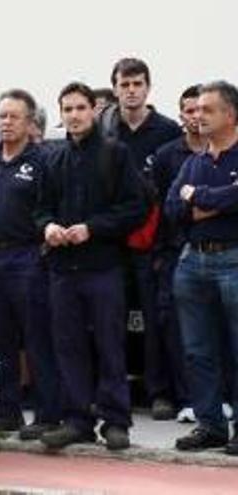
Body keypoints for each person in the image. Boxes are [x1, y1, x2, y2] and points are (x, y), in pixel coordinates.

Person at [36, 82, 147, 451]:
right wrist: (48, 227)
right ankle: (77, 419)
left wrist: (92, 229)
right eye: (67, 109)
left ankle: (116, 421)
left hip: (103, 267)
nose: (74, 115)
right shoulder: (53, 158)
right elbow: (40, 208)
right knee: (68, 347)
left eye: (80, 108)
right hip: (63, 271)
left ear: (94, 110)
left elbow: (136, 207)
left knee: (109, 345)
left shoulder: (116, 154)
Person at [99, 58, 184, 420]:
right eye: (124, 84)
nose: (131, 90)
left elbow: (172, 193)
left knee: (154, 319)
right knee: (109, 319)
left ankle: (159, 391)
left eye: (137, 84)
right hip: (111, 242)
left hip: (151, 243)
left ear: (148, 87)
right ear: (115, 88)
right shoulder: (104, 130)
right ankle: (112, 391)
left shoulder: (166, 132)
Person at [0, 89, 61, 440]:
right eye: (2, 116)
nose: (6, 122)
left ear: (29, 123)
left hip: (26, 257)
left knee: (37, 338)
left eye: (14, 117)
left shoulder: (42, 162)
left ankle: (47, 413)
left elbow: (50, 208)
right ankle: (7, 412)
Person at [167, 81, 238, 455]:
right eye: (195, 110)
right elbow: (172, 209)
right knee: (197, 349)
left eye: (208, 110)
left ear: (231, 115)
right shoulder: (193, 162)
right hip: (192, 260)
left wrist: (198, 198)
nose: (198, 116)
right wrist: (217, 202)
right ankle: (210, 425)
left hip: (234, 258)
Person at [151, 85, 206, 424]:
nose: (196, 116)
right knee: (177, 328)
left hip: (220, 252)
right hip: (174, 252)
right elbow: (166, 207)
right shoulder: (167, 155)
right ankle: (186, 398)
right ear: (181, 115)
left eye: (201, 109)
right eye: (188, 110)